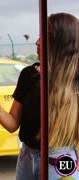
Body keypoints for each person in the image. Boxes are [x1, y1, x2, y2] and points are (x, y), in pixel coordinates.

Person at [0, 40, 41, 179]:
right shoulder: (29, 74)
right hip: (27, 155)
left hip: (58, 157)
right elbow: (12, 124)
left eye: (45, 36)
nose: (37, 42)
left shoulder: (72, 77)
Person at [46, 12, 79, 179]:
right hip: (31, 160)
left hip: (62, 164)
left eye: (45, 36)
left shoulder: (74, 84)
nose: (38, 42)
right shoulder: (35, 77)